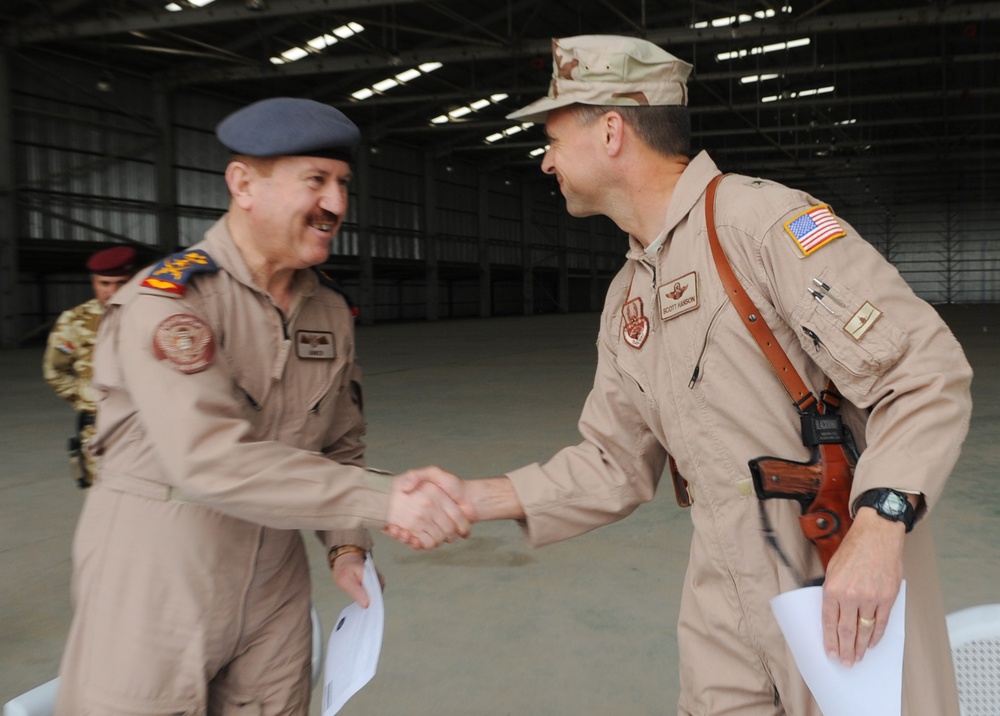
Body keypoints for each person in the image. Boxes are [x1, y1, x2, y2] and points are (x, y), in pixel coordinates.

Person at [397, 35, 973, 715]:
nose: (546, 159)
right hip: (722, 593)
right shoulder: (628, 296)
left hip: (832, 566)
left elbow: (924, 371)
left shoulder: (760, 222)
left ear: (611, 130)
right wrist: (474, 497)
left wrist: (882, 527)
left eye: (553, 136)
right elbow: (614, 461)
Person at [54, 97, 471, 715]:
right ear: (243, 185)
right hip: (158, 577)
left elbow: (339, 441)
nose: (336, 204)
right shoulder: (171, 303)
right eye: (316, 182)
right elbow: (210, 463)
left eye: (342, 184)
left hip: (274, 577)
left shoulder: (327, 308)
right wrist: (385, 501)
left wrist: (346, 545)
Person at [43, 245, 136, 487]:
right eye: (105, 283)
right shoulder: (75, 320)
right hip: (98, 428)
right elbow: (55, 371)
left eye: (121, 282)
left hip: (143, 425)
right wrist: (87, 400)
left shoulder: (149, 316)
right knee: (100, 496)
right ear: (94, 282)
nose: (112, 291)